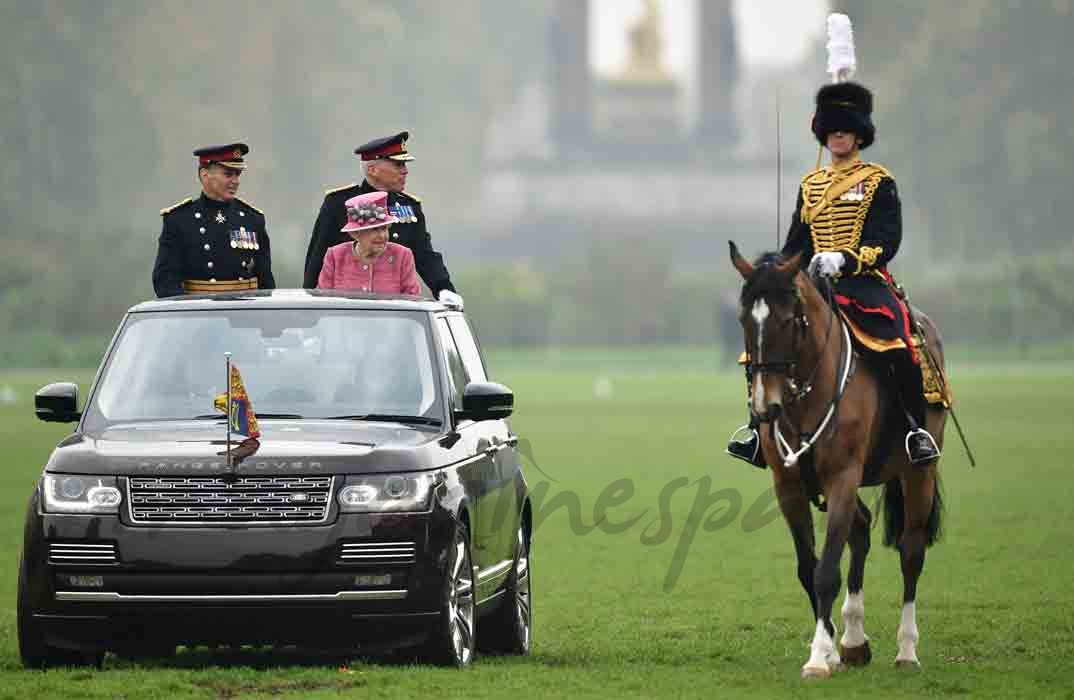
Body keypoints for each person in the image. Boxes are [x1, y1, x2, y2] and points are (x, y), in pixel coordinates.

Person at [727, 81, 941, 468]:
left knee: (897, 341)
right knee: (764, 342)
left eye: (844, 129)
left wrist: (846, 259)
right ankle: (756, 431)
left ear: (859, 134)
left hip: (864, 282)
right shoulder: (810, 186)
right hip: (815, 285)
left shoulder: (879, 181)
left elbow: (886, 240)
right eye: (831, 129)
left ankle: (914, 430)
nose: (837, 135)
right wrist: (775, 268)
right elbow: (796, 245)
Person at [303, 131, 462, 307]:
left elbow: (425, 256)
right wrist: (310, 313)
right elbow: (317, 259)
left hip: (393, 312)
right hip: (345, 310)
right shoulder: (339, 203)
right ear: (373, 170)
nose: (405, 171)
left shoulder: (409, 206)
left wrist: (443, 289)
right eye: (398, 165)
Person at [153, 143, 274, 297]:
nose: (235, 181)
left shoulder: (252, 219)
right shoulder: (179, 220)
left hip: (244, 313)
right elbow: (166, 281)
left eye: (237, 174)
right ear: (205, 175)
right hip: (198, 314)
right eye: (228, 174)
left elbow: (266, 281)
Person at [317, 191, 421, 295]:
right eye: (374, 229)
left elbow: (413, 302)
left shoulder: (402, 256)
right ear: (355, 234)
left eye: (384, 228)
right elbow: (323, 302)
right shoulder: (335, 256)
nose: (382, 236)